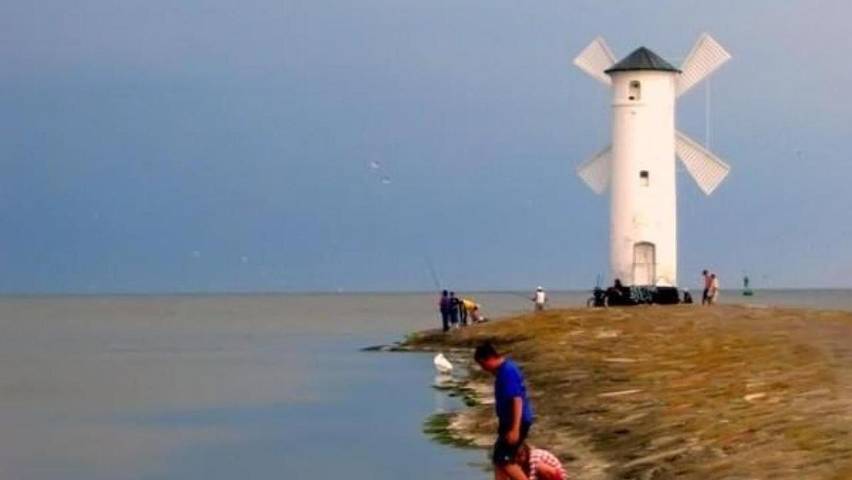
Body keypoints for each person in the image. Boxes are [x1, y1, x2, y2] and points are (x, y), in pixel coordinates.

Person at [474, 342, 535, 480]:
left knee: (504, 460)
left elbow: (517, 400)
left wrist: (515, 429)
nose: (484, 369)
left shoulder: (508, 371)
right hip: (507, 421)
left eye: (482, 365)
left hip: (516, 422)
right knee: (498, 459)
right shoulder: (503, 371)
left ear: (488, 359)